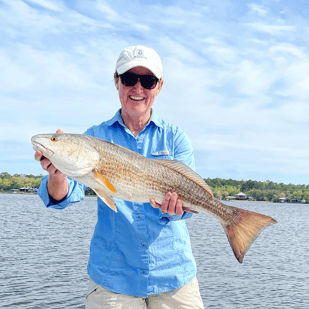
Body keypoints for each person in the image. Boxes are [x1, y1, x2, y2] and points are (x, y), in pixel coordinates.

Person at [34, 45, 204, 308]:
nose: (137, 88)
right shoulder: (93, 137)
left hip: (173, 276)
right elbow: (65, 197)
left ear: (158, 86)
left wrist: (178, 210)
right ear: (116, 81)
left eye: (147, 80)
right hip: (112, 281)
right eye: (128, 79)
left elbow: (188, 210)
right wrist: (57, 175)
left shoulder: (175, 138)